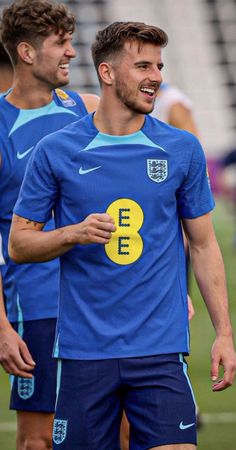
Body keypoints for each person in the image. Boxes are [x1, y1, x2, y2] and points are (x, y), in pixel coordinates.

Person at [9, 21, 236, 450]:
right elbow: (19, 245)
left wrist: (224, 332)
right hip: (82, 354)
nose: (156, 77)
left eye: (159, 66)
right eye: (143, 65)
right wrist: (72, 233)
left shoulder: (182, 149)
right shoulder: (56, 151)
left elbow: (204, 246)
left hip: (161, 352)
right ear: (108, 73)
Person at [0, 1, 99, 449]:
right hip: (36, 308)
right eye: (60, 43)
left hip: (103, 301)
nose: (72, 53)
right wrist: (1, 326)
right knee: (38, 439)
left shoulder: (92, 110)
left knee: (120, 431)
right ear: (25, 52)